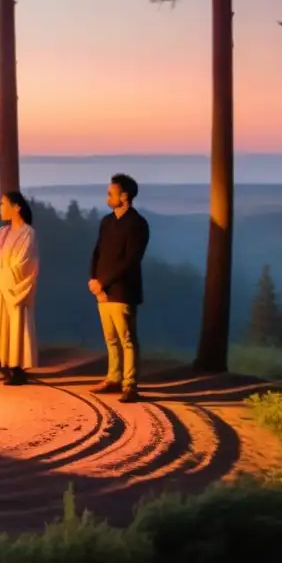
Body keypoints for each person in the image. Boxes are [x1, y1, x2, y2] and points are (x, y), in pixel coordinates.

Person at [89, 173, 151, 403]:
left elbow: (130, 261)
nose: (108, 196)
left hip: (123, 291)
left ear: (124, 196)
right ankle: (113, 378)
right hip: (102, 291)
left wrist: (102, 283)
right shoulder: (107, 222)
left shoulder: (137, 224)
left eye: (111, 193)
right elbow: (97, 252)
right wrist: (93, 280)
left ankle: (130, 385)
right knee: (111, 338)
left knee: (127, 339)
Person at [0, 191, 40, 385]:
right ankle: (4, 362)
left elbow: (24, 264)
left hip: (14, 289)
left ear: (17, 207)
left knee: (16, 325)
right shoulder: (1, 233)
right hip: (0, 289)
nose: (0, 208)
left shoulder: (28, 233)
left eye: (3, 204)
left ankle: (17, 368)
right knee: (2, 325)